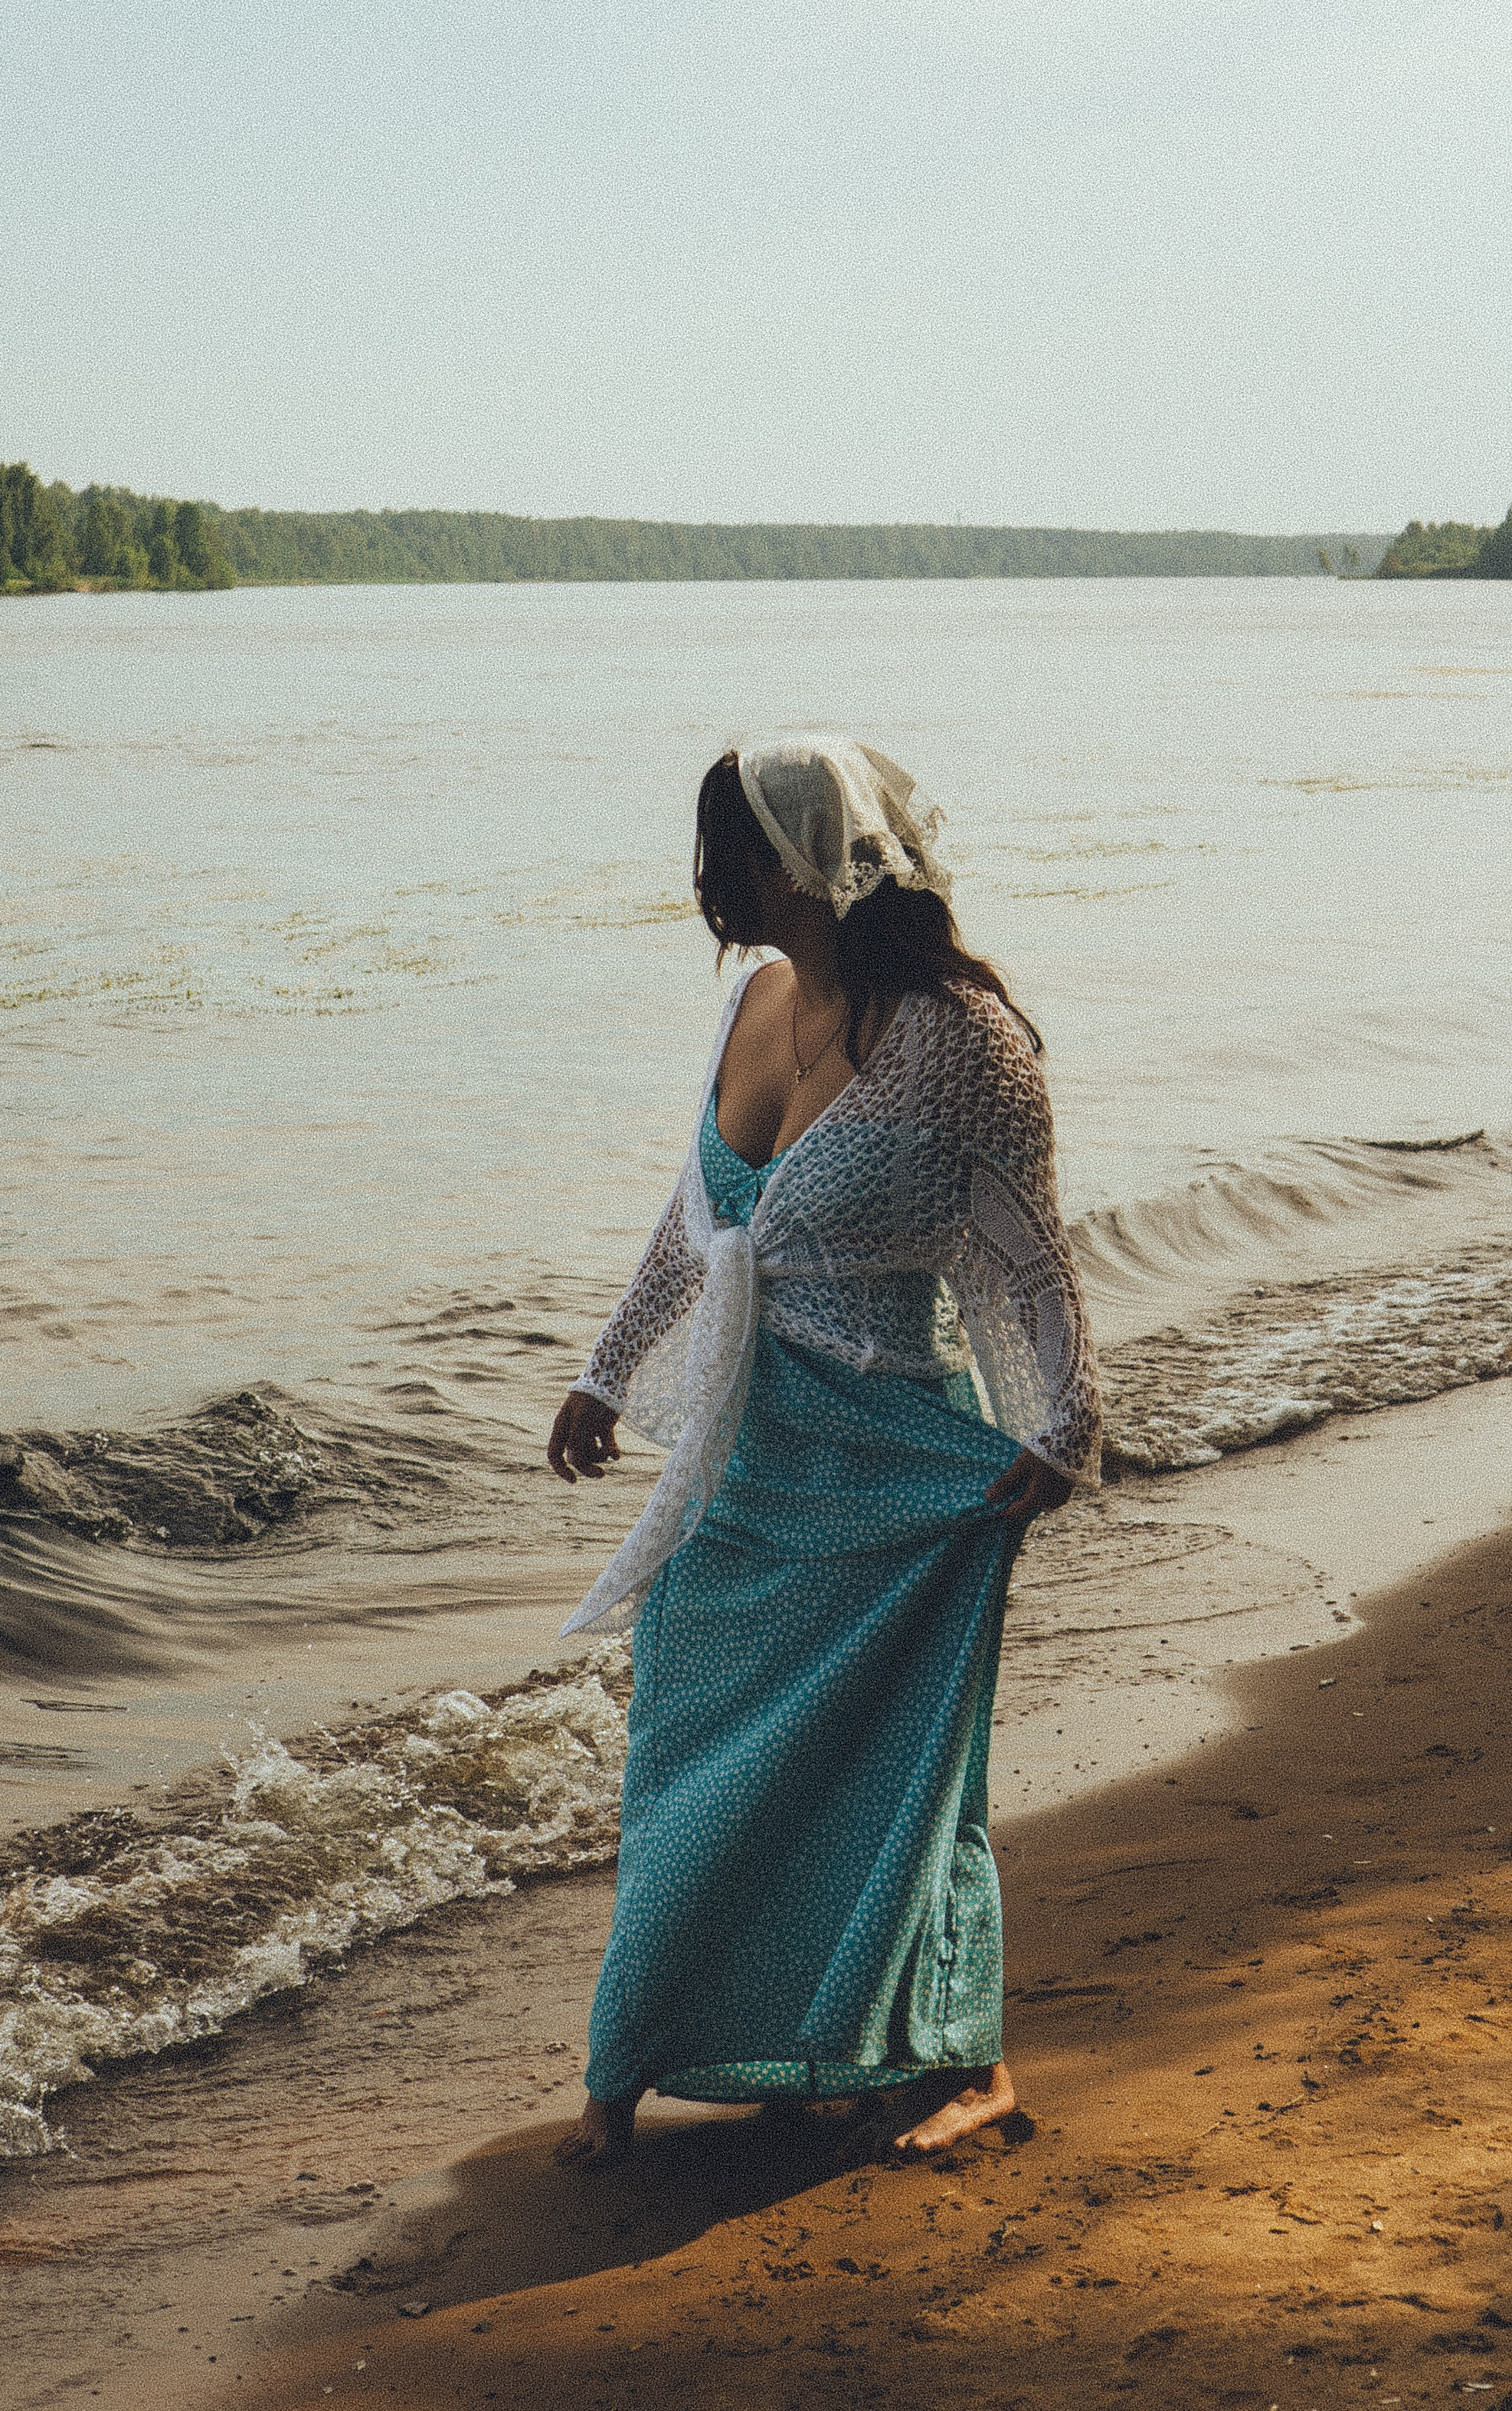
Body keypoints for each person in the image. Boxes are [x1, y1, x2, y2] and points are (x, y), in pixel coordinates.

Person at [548, 737, 1101, 2167]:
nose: (707, 885)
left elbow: (1035, 1257)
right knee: (685, 1743)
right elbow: (699, 1222)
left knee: (910, 1770)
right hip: (740, 1465)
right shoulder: (756, 1002)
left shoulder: (957, 1040)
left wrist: (1066, 1427)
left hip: (891, 1473)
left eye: (730, 856)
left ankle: (969, 2059)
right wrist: (606, 1375)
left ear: (808, 859)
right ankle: (664, 2050)